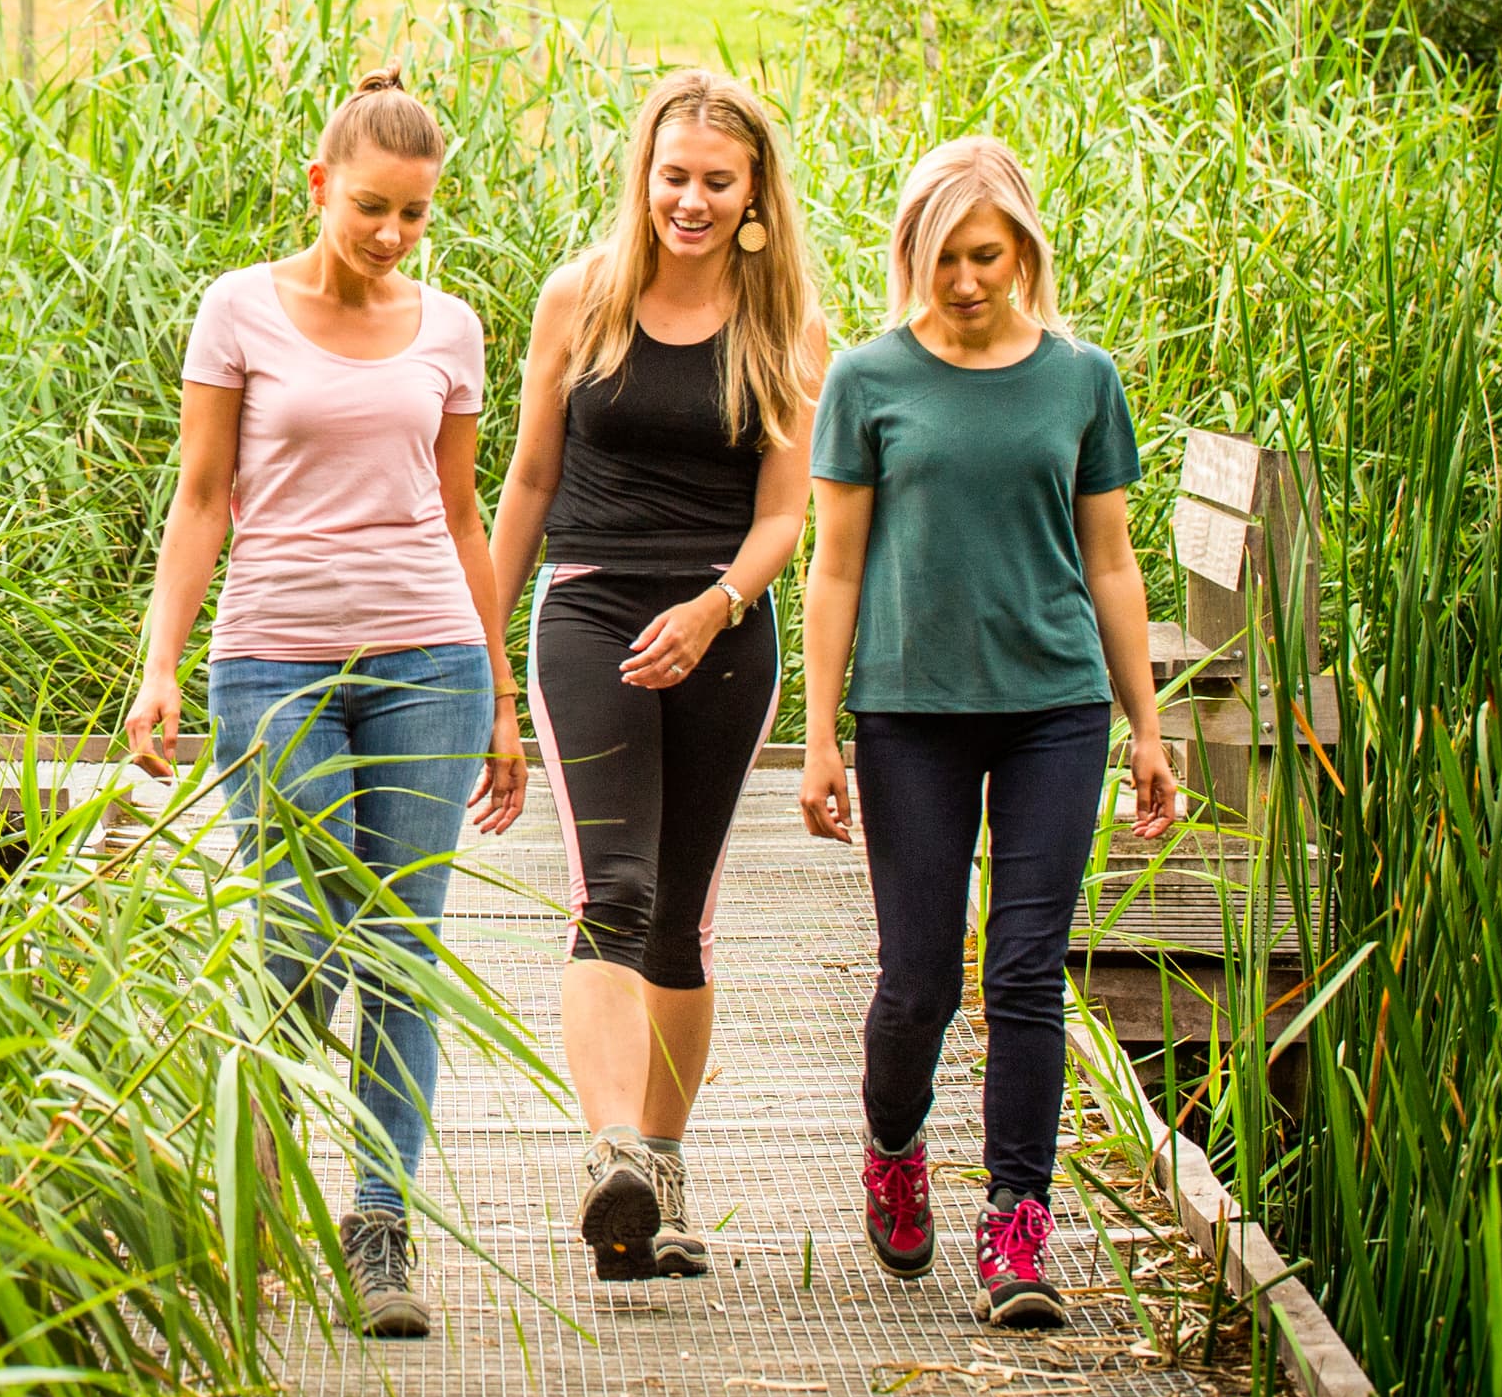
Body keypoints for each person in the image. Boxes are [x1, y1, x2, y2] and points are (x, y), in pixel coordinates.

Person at [123, 68, 529, 1342]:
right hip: (273, 662)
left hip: (433, 664)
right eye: (371, 209)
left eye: (415, 214)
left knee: (402, 948)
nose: (394, 236)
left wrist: (505, 696)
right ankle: (265, 1178)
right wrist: (158, 663)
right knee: (299, 929)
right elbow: (201, 500)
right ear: (318, 186)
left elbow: (463, 515)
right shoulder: (239, 311)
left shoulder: (453, 328)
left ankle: (381, 1220)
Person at [799, 136, 1179, 1330]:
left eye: (987, 255)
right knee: (918, 980)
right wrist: (819, 736)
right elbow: (834, 570)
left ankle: (1018, 1223)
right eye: (943, 257)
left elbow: (1112, 560)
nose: (966, 280)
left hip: (1054, 710)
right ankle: (894, 1145)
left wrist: (1147, 727)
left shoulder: (1081, 379)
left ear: (1023, 250)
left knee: (1023, 973)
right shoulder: (868, 379)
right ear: (911, 254)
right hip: (911, 712)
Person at [489, 70, 826, 1283]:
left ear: (752, 198)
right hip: (588, 610)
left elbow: (787, 515)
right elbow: (526, 485)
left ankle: (663, 1176)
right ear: (644, 175)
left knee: (682, 917)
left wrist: (717, 604)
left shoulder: (784, 326)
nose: (689, 198)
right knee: (613, 892)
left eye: (715, 182)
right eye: (672, 175)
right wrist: (485, 664)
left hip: (725, 628)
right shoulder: (580, 298)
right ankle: (612, 1153)